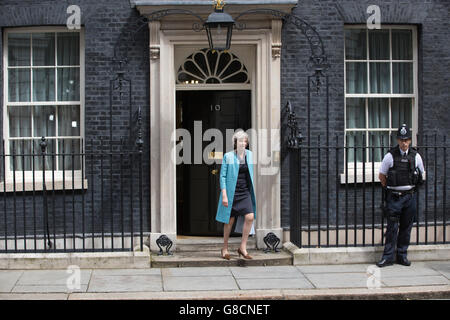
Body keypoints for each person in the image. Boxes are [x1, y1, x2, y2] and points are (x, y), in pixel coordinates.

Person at [376, 124, 425, 268]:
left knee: (406, 227)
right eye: (401, 140)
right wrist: (390, 189)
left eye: (407, 140)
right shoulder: (390, 156)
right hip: (394, 197)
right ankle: (388, 257)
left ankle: (402, 255)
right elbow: (382, 176)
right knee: (392, 228)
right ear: (397, 140)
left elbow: (421, 175)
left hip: (409, 197)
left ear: (410, 140)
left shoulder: (416, 156)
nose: (404, 143)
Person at [215, 130, 256, 260]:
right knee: (229, 221)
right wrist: (224, 195)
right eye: (240, 141)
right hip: (231, 193)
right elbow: (222, 177)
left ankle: (242, 248)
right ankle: (225, 248)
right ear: (235, 143)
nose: (243, 143)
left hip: (244, 192)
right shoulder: (228, 156)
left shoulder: (250, 155)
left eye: (245, 141)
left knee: (250, 217)